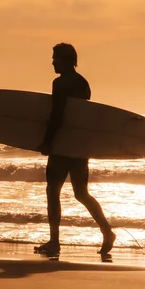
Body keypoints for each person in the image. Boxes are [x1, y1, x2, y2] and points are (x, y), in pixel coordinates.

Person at [33, 43, 116, 258]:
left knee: (53, 191)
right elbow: (83, 117)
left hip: (62, 146)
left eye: (56, 58)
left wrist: (47, 142)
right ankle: (107, 231)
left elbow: (58, 114)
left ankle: (54, 242)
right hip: (79, 147)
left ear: (67, 60)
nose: (52, 62)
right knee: (81, 193)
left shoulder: (60, 83)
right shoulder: (83, 83)